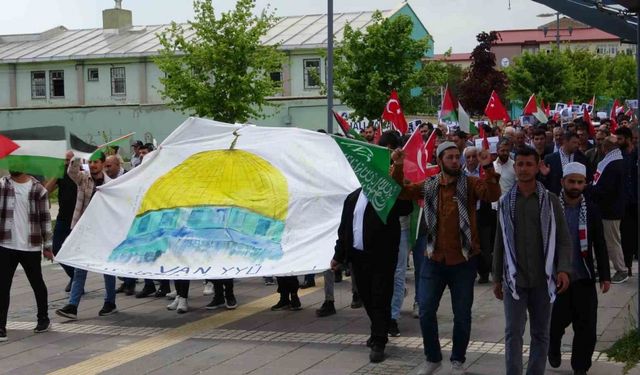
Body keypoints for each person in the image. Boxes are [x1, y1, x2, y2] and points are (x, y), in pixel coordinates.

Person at [392, 141, 501, 374]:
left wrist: (488, 166)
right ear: (440, 160)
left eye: (456, 157)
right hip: (434, 260)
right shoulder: (430, 185)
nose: (454, 161)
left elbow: (492, 195)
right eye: (449, 157)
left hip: (463, 261)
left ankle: (458, 361)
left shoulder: (471, 184)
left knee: (462, 315)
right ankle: (433, 358)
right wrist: (398, 165)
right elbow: (403, 190)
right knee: (426, 312)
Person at [493, 146, 572, 375]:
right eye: (520, 164)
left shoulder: (551, 201)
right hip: (514, 280)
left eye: (529, 164)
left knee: (541, 334)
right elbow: (500, 242)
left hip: (543, 279)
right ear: (514, 167)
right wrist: (497, 278)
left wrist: (564, 269)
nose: (525, 169)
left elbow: (564, 240)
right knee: (513, 333)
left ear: (538, 167)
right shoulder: (505, 202)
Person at [548, 162, 611, 375]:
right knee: (555, 324)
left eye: (580, 182)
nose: (575, 186)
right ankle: (553, 348)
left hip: (583, 276)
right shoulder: (551, 207)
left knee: (586, 328)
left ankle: (580, 367)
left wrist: (605, 276)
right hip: (556, 278)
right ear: (562, 182)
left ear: (585, 184)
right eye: (571, 181)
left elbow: (600, 244)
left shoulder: (591, 210)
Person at [55, 152, 118, 320]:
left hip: (103, 231)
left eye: (96, 162)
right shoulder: (84, 179)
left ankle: (110, 302)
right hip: (84, 229)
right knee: (80, 267)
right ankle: (72, 306)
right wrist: (77, 156)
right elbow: (71, 172)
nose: (93, 165)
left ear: (103, 163)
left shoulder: (111, 184)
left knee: (107, 268)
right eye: (90, 162)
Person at [0, 171, 53, 341]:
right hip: (6, 244)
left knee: (37, 283)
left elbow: (45, 218)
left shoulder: (38, 190)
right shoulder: (2, 185)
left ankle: (43, 319)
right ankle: (1, 326)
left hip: (31, 245)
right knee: (2, 286)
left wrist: (48, 246)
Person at [591, 135, 628, 283]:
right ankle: (600, 268)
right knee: (604, 241)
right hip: (608, 208)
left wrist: (590, 189)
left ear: (605, 149)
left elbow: (606, 189)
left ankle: (621, 270)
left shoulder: (612, 165)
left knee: (612, 241)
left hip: (610, 210)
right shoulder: (616, 162)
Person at [44, 151, 77, 292]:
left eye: (69, 160)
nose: (66, 163)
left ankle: (77, 282)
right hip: (63, 217)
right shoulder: (61, 174)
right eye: (64, 160)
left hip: (78, 219)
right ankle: (75, 277)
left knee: (76, 252)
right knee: (57, 249)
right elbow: (45, 191)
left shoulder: (81, 174)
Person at [464, 147, 496, 284]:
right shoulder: (460, 174)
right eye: (468, 157)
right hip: (466, 216)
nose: (471, 160)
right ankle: (469, 272)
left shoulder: (484, 173)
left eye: (473, 156)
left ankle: (484, 272)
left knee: (484, 246)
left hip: (483, 215)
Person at [616, 127, 638, 277]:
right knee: (626, 234)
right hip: (626, 203)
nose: (618, 142)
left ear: (629, 139)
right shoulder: (618, 156)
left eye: (620, 139)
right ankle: (627, 265)